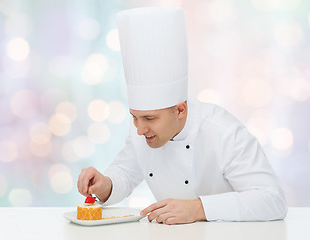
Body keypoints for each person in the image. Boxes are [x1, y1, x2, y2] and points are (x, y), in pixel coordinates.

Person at [77, 7, 287, 224]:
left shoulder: (223, 132)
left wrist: (198, 209)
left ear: (179, 110)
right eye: (134, 117)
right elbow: (126, 172)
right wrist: (105, 185)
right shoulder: (141, 129)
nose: (139, 129)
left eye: (149, 118)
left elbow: (272, 200)